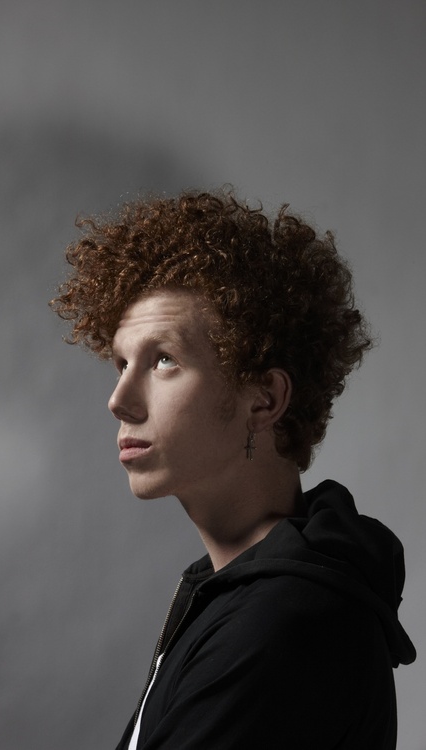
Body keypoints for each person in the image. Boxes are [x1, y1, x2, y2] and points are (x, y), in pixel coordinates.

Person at [50, 189, 416, 749]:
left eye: (163, 360)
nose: (119, 400)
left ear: (264, 400)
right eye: (121, 363)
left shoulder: (280, 623)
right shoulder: (242, 593)